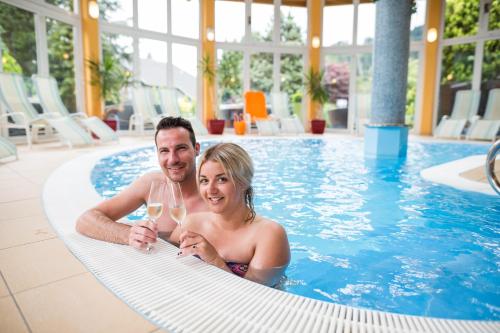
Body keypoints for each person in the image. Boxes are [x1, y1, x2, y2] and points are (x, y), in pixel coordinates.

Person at [76, 117, 207, 250]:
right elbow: (86, 220)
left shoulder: (214, 194)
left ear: (196, 149)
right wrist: (128, 234)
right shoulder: (151, 184)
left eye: (181, 148)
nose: (172, 159)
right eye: (164, 151)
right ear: (157, 154)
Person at [170, 143, 290, 287]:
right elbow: (164, 262)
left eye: (222, 179)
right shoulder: (191, 224)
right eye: (204, 181)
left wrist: (214, 260)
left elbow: (255, 297)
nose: (211, 190)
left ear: (244, 182)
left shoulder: (269, 235)